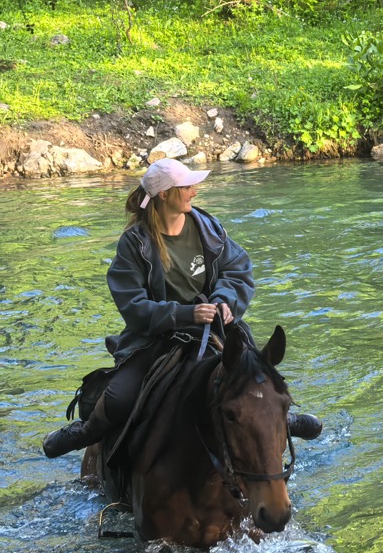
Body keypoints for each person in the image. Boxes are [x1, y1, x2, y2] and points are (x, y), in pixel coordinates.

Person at [42, 158, 322, 459]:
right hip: (155, 337)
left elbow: (237, 270)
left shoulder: (209, 228)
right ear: (164, 194)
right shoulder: (133, 244)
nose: (195, 191)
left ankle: (285, 419)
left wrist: (225, 302)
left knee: (259, 383)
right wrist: (184, 314)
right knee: (120, 399)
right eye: (187, 186)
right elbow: (132, 306)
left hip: (216, 328)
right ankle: (85, 432)